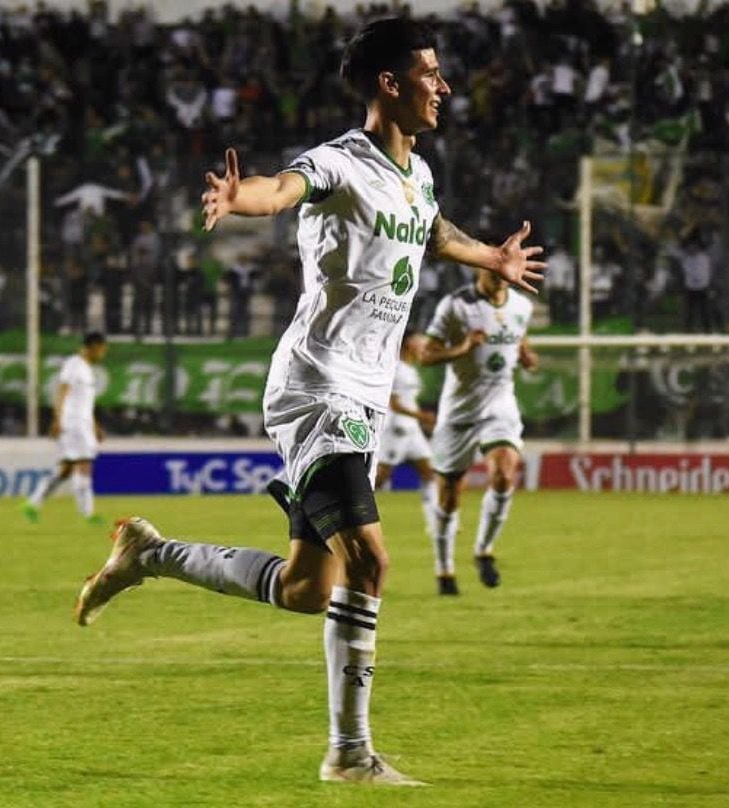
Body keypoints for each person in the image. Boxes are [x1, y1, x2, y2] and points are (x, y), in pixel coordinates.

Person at [72, 18, 543, 786]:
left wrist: (487, 254)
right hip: (317, 390)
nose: (444, 85)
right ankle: (349, 755)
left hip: (362, 401)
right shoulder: (340, 160)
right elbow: (285, 188)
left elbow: (429, 228)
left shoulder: (417, 177)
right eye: (430, 72)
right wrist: (241, 196)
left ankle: (147, 554)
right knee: (371, 560)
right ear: (390, 84)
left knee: (305, 590)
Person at [420, 267, 537, 596]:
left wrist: (526, 356)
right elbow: (426, 354)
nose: (500, 272)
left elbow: (519, 339)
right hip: (459, 413)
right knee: (449, 497)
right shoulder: (455, 306)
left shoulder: (521, 306)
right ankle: (444, 569)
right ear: (478, 267)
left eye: (504, 265)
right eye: (492, 265)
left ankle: (484, 550)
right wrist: (460, 349)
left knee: (504, 474)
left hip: (500, 406)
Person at [22, 332, 108, 525]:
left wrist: (95, 426)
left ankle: (32, 503)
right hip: (74, 423)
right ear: (94, 346)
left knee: (66, 469)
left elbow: (84, 402)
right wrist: (58, 419)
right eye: (102, 350)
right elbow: (61, 391)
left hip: (83, 423)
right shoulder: (74, 365)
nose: (103, 354)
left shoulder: (86, 369)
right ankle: (88, 514)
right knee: (84, 464)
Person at [374, 332, 438, 536]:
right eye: (421, 344)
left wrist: (418, 418)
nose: (424, 348)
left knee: (429, 472)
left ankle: (435, 523)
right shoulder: (395, 368)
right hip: (396, 429)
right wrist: (422, 415)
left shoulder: (411, 369)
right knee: (379, 479)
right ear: (409, 344)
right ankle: (347, 513)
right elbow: (395, 404)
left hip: (412, 430)